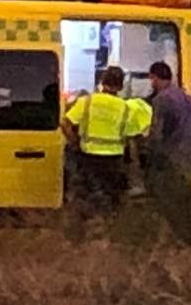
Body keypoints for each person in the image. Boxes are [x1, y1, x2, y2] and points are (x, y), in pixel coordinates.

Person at [61, 66, 152, 212]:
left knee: (88, 197)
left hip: (88, 157)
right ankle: (108, 226)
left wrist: (75, 142)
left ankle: (88, 227)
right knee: (111, 200)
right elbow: (131, 135)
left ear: (102, 82)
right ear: (121, 85)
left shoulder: (86, 101)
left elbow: (65, 123)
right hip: (113, 160)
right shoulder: (125, 107)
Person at [144, 61, 191, 240]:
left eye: (152, 79)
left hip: (170, 160)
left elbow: (156, 134)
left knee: (169, 205)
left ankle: (173, 239)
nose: (152, 84)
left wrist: (150, 152)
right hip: (188, 158)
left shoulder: (162, 100)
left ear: (156, 77)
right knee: (184, 202)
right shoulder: (189, 99)